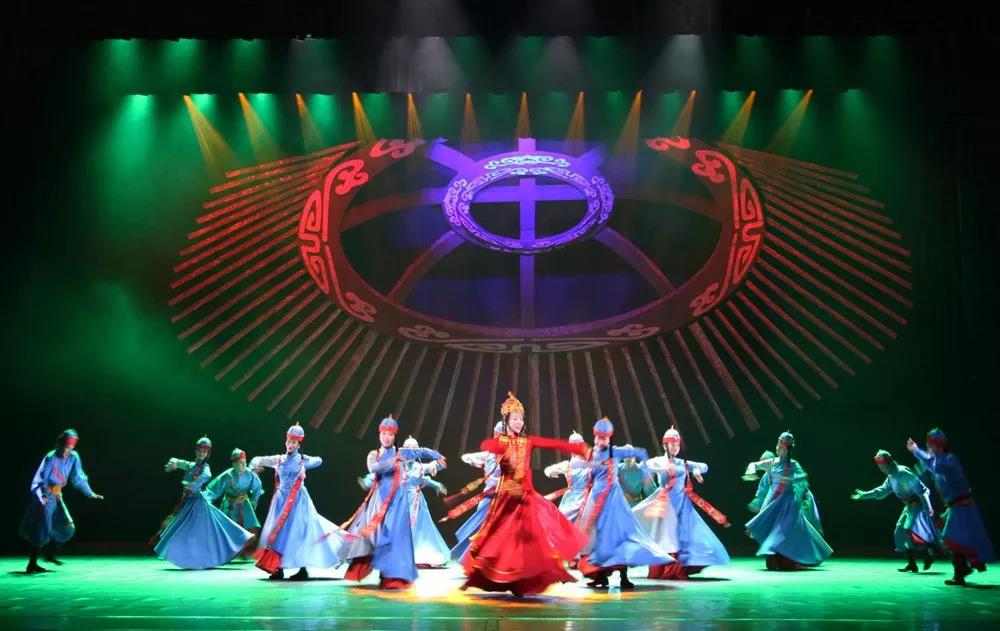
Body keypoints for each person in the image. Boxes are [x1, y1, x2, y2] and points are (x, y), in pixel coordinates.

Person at [461, 392, 589, 596]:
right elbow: (486, 446)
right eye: (515, 418)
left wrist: (577, 448)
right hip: (506, 497)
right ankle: (483, 576)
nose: (519, 422)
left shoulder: (527, 441)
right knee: (496, 538)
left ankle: (524, 580)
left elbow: (551, 443)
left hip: (525, 496)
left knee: (530, 538)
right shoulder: (502, 442)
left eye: (521, 418)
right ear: (506, 421)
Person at [342, 416, 446, 589]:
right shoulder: (374, 455)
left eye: (390, 434)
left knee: (396, 536)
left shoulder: (401, 453)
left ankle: (392, 575)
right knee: (378, 536)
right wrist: (392, 462)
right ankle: (380, 569)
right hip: (380, 501)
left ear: (394, 436)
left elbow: (420, 451)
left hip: (398, 501)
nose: (387, 437)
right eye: (384, 433)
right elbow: (374, 468)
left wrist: (437, 455)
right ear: (379, 435)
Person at [575, 417, 671, 589]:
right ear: (594, 437)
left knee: (619, 537)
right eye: (598, 437)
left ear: (609, 438)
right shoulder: (590, 454)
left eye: (604, 438)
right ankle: (600, 576)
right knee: (597, 539)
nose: (601, 441)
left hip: (613, 501)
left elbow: (641, 452)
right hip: (595, 500)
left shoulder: (615, 452)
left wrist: (645, 467)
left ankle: (623, 577)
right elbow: (587, 472)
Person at [250, 423, 347, 580]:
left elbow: (319, 460)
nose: (290, 444)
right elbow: (258, 459)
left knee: (300, 533)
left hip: (298, 502)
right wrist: (253, 467)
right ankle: (278, 568)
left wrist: (305, 460)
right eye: (289, 441)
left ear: (299, 444)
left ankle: (303, 569)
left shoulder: (302, 460)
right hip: (281, 502)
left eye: (294, 442)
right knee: (279, 535)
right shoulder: (279, 459)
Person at [634, 426, 730, 579]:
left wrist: (696, 469)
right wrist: (660, 468)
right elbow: (643, 465)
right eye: (672, 444)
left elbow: (705, 466)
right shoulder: (660, 461)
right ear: (665, 445)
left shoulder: (682, 463)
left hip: (683, 506)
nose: (675, 447)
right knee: (667, 538)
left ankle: (680, 570)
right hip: (667, 505)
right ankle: (667, 570)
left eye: (677, 444)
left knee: (687, 537)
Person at [907, 428, 995, 586]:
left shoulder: (948, 461)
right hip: (955, 506)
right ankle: (961, 570)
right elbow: (930, 464)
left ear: (936, 445)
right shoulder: (939, 460)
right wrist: (917, 453)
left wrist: (917, 451)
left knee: (950, 538)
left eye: (930, 445)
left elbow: (934, 465)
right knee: (949, 537)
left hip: (962, 506)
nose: (929, 447)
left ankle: (960, 572)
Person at [153, 436, 252, 569]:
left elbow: (207, 475)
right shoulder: (190, 465)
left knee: (202, 531)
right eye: (200, 450)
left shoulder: (205, 467)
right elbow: (176, 461)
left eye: (204, 451)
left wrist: (192, 484)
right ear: (196, 451)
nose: (201, 453)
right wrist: (172, 464)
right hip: (188, 502)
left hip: (197, 504)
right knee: (186, 531)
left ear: (207, 453)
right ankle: (189, 557)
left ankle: (227, 545)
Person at [745, 431, 832, 570]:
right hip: (774, 502)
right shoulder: (772, 463)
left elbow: (803, 477)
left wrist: (791, 479)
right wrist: (750, 472)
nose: (780, 449)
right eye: (779, 446)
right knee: (772, 527)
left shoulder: (793, 464)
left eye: (783, 447)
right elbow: (754, 465)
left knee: (787, 530)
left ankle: (790, 556)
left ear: (788, 448)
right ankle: (775, 556)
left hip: (789, 503)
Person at [20, 429, 104, 574]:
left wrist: (90, 493)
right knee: (43, 525)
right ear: (60, 445)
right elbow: (40, 480)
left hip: (57, 494)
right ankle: (32, 564)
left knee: (67, 525)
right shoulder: (50, 457)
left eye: (70, 449)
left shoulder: (73, 457)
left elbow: (78, 477)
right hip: (45, 495)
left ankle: (50, 555)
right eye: (65, 448)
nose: (67, 452)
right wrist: (42, 497)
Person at [851, 449, 940, 572]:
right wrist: (864, 495)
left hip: (919, 506)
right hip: (909, 506)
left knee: (911, 530)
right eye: (880, 467)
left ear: (888, 463)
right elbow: (882, 491)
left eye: (882, 466)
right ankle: (912, 563)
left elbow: (923, 490)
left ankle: (929, 553)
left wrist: (927, 507)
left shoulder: (903, 473)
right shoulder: (891, 477)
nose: (881, 469)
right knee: (899, 531)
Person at [205, 448, 264, 558]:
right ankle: (226, 550)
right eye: (240, 463)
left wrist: (254, 500)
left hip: (244, 503)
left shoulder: (250, 475)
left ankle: (246, 550)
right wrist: (206, 498)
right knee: (226, 525)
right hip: (230, 502)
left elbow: (258, 486)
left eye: (245, 463)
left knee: (250, 524)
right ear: (234, 463)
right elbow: (214, 489)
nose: (244, 465)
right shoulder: (227, 476)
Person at [542, 431, 591, 521]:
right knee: (563, 520)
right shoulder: (567, 465)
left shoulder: (589, 463)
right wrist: (554, 472)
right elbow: (547, 471)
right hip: (573, 500)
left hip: (586, 498)